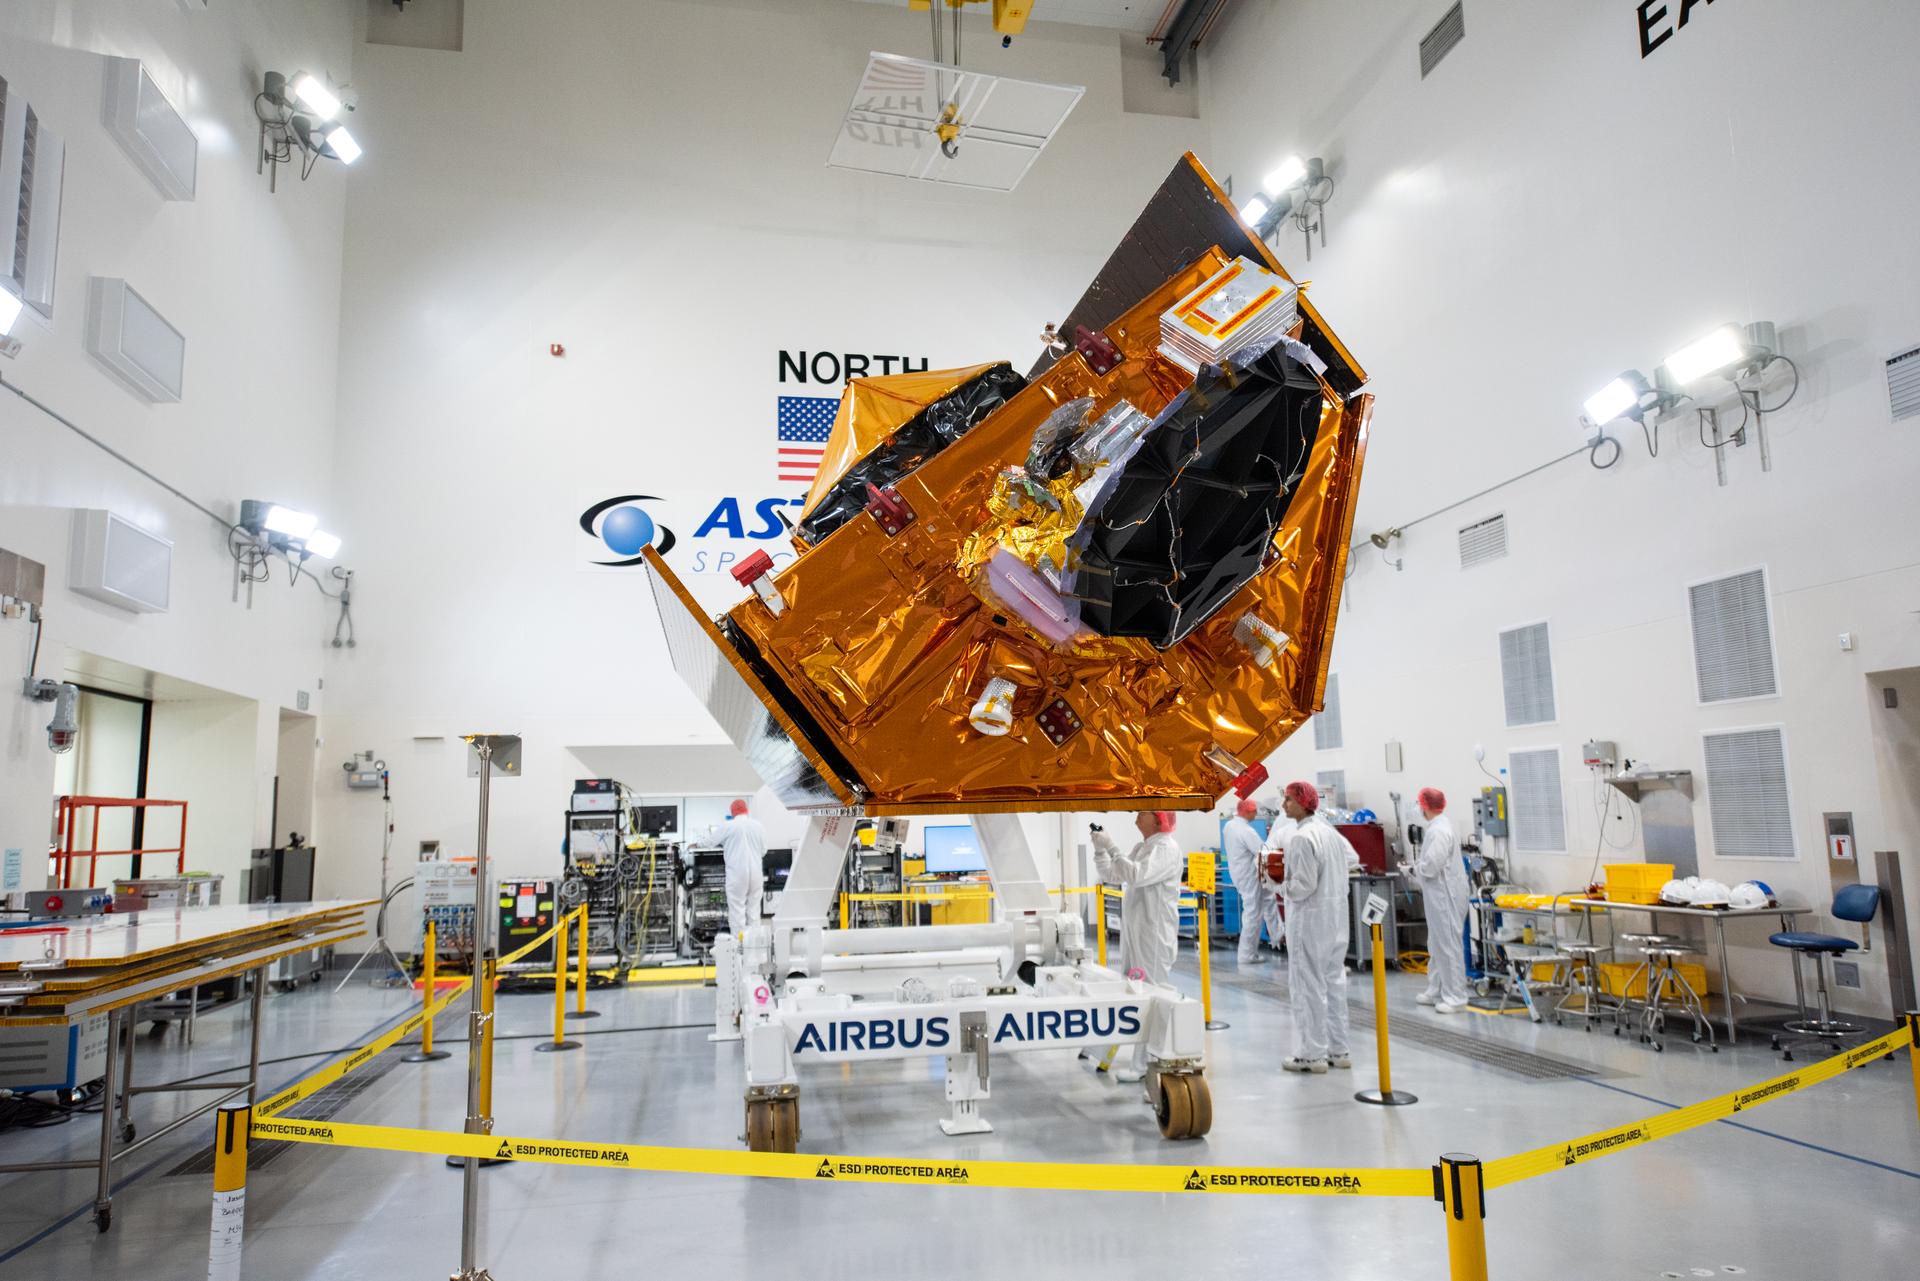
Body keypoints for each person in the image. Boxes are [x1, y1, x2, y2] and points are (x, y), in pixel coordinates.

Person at [1092, 811, 1184, 1082]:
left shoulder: (1166, 848)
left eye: (1143, 813)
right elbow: (1113, 874)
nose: (1136, 817)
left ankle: (1149, 1065)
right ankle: (1140, 1062)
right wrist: (1100, 851)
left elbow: (1136, 875)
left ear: (1158, 820)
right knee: (1135, 992)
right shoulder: (1144, 846)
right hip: (1136, 930)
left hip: (1153, 933)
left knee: (1152, 995)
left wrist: (1111, 846)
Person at [1278, 781, 1355, 1074]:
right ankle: (1339, 1049)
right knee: (1334, 984)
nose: (1284, 805)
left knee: (1307, 985)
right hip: (1336, 920)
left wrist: (1277, 885)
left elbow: (1302, 887)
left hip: (1310, 921)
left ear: (1302, 803)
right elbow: (1352, 861)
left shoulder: (1302, 838)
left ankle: (1311, 1054)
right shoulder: (1330, 834)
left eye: (1288, 799)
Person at [1404, 786, 1470, 1013]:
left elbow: (1432, 866)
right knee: (1436, 944)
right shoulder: (1436, 828)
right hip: (1439, 896)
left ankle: (1456, 997)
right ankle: (1436, 989)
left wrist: (1413, 870)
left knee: (1448, 945)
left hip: (1446, 897)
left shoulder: (1439, 831)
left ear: (1424, 806)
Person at [1223, 797, 1284, 964]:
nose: (1256, 815)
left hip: (1242, 873)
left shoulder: (1229, 825)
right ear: (1247, 811)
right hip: (1250, 876)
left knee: (1268, 899)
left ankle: (1277, 936)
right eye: (1255, 812)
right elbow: (1263, 851)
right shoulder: (1245, 831)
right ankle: (1247, 955)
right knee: (1253, 914)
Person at [717, 798, 766, 937]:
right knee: (754, 913)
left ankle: (739, 952)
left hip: (737, 875)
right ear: (746, 810)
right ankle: (755, 953)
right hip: (756, 874)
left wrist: (697, 844)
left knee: (737, 912)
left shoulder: (728, 826)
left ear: (732, 812)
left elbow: (710, 841)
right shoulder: (758, 826)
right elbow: (764, 850)